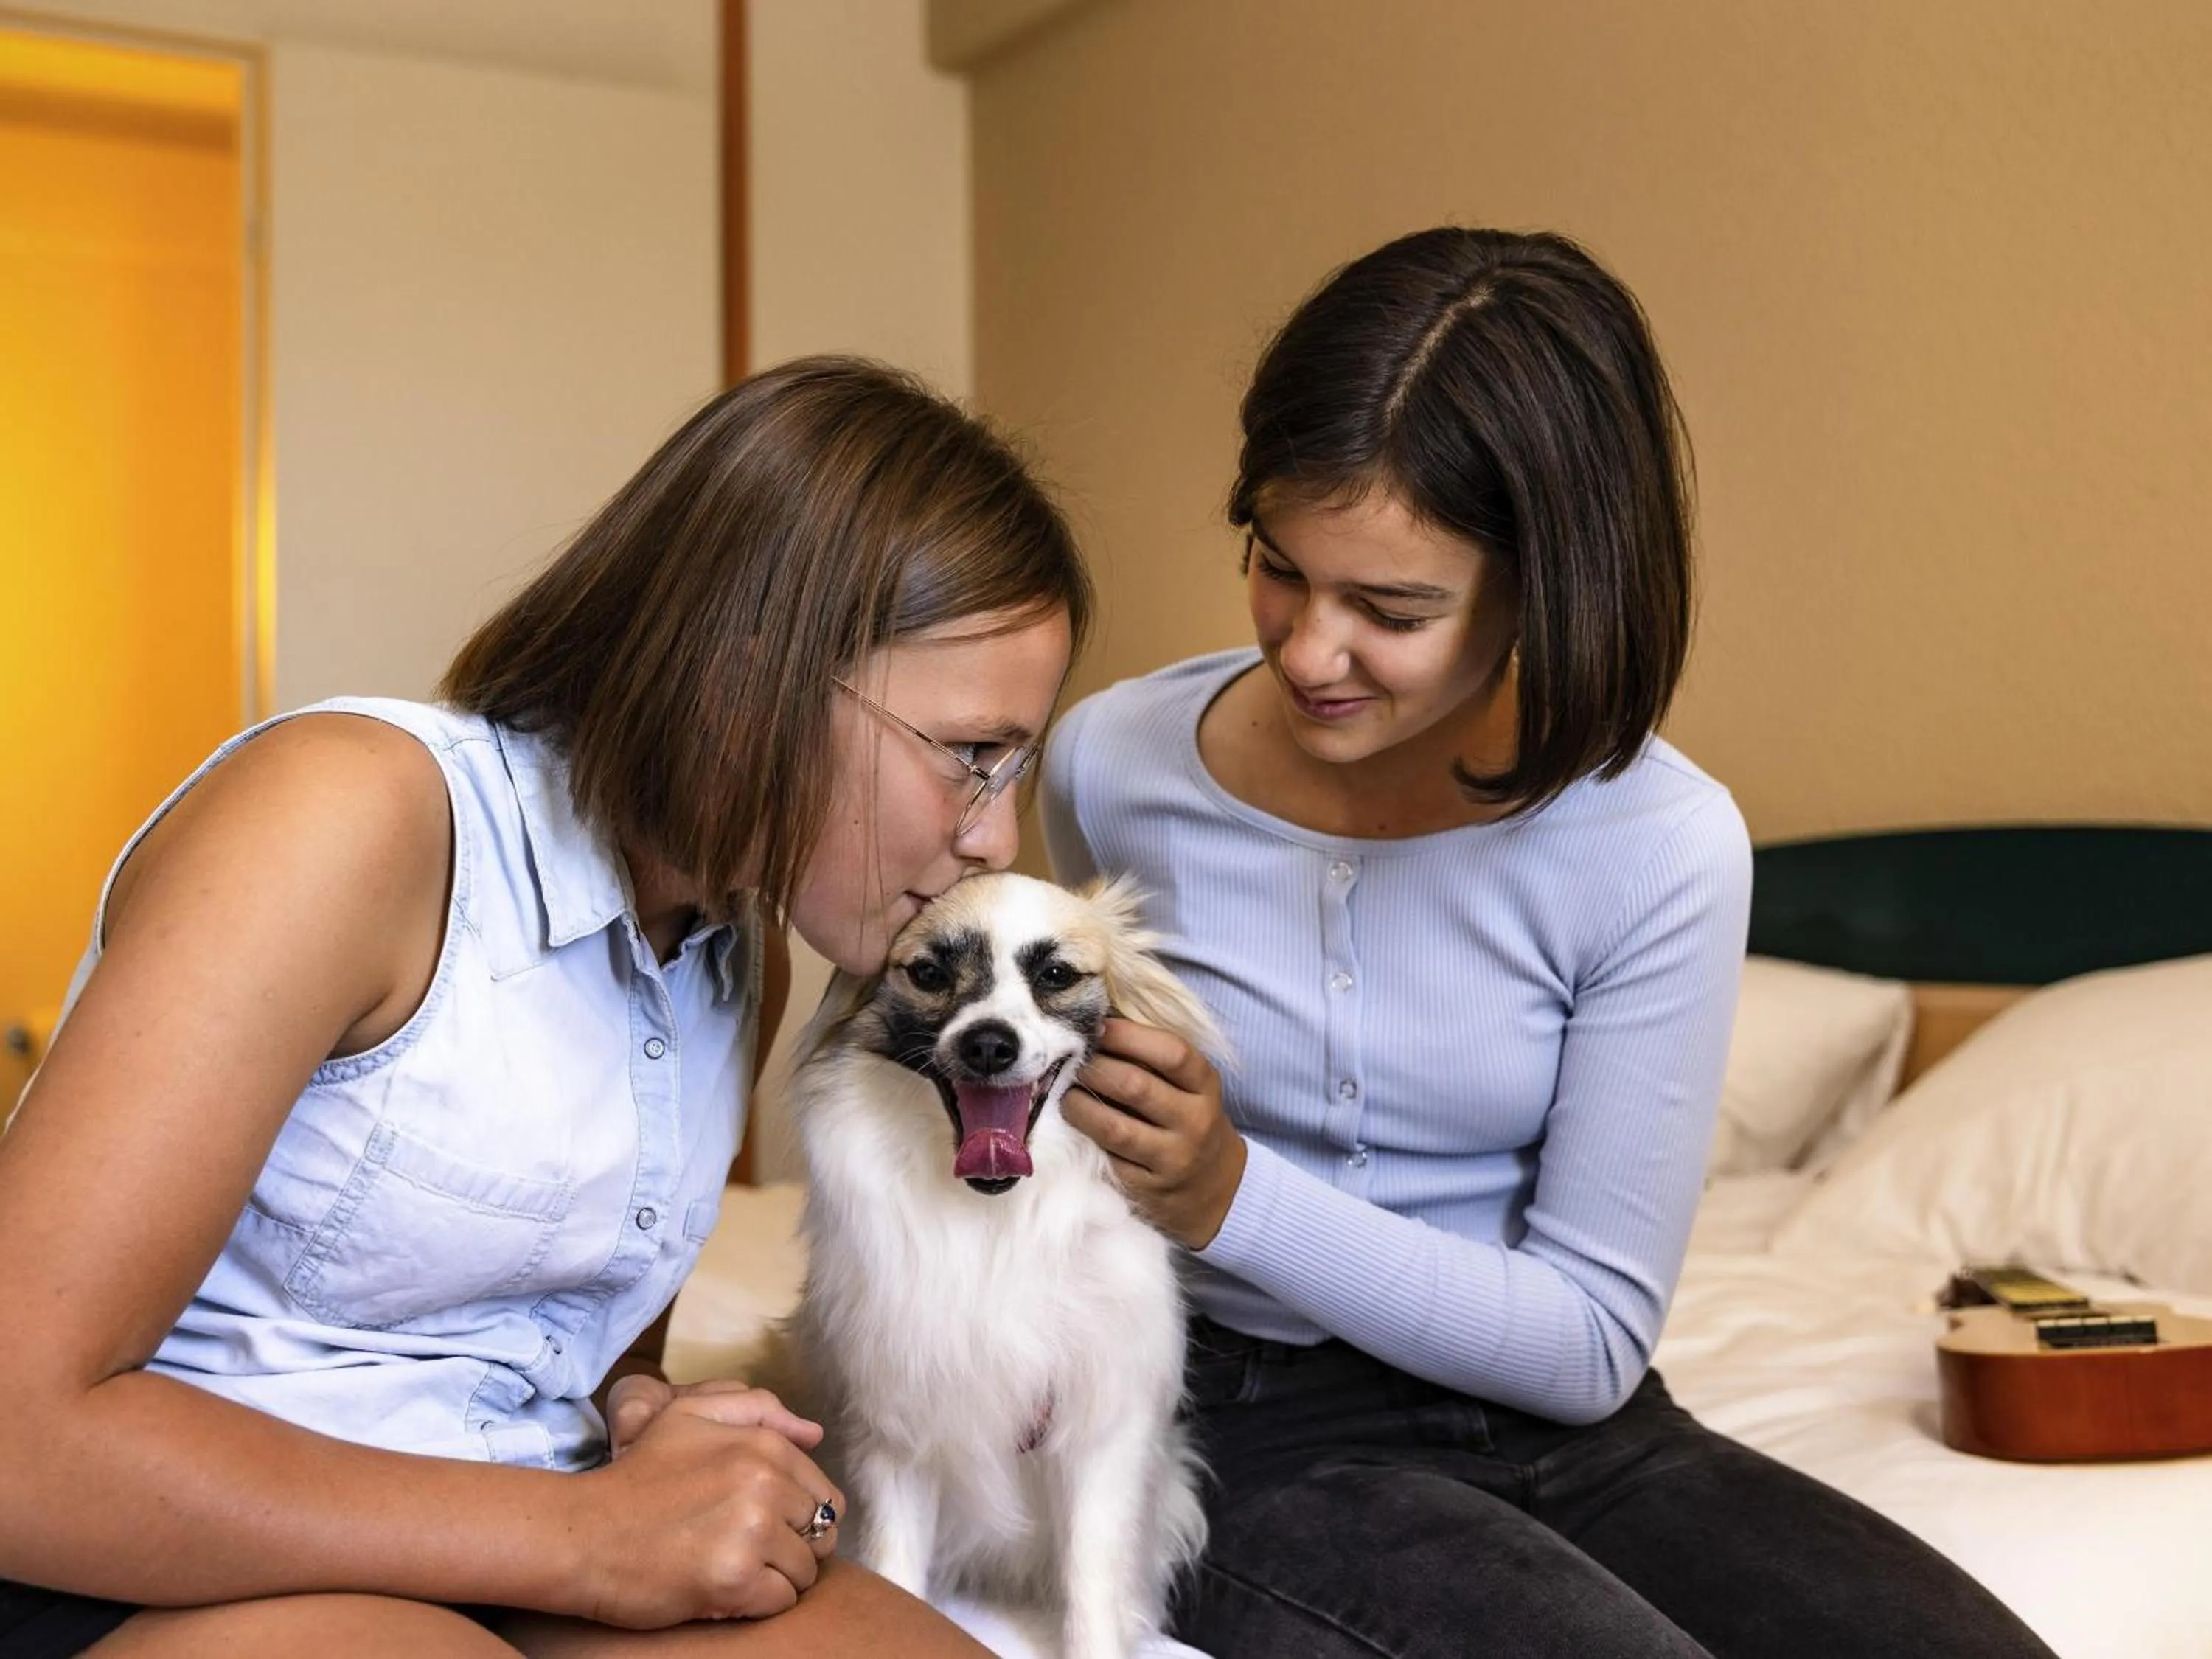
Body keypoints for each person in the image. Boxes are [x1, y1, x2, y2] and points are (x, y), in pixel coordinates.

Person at [1043, 229, 2058, 1659]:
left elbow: (1588, 1346)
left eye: (1391, 610)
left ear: (1547, 587)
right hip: (1235, 1421)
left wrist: (1231, 1192)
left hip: (1567, 1422)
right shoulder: (1112, 766)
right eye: (1278, 567)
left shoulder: (1656, 844)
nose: (1306, 649)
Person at [0, 357, 1087, 1658]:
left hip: (512, 1520)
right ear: (751, 685)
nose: (997, 835)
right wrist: (582, 1538)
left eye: (1017, 765)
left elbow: (571, 1345)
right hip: (168, 1551)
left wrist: (650, 1427)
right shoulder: (349, 819)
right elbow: (18, 1434)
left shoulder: (739, 952)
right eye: (971, 755)